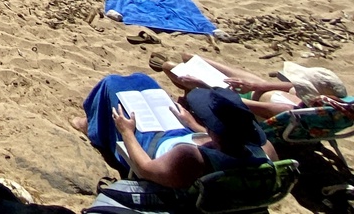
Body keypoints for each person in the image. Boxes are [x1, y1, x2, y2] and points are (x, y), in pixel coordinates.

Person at [80, 78, 275, 189]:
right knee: (143, 80)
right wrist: (192, 125)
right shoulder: (265, 150)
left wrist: (127, 132)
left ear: (214, 130)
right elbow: (228, 140)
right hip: (182, 134)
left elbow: (145, 168)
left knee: (111, 84)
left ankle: (90, 126)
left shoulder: (191, 158)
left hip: (152, 142)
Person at [149, 53, 347, 120]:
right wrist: (252, 84)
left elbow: (238, 104)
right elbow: (290, 85)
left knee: (173, 69)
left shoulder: (287, 110)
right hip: (254, 87)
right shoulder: (305, 97)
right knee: (190, 58)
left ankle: (188, 91)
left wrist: (203, 85)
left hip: (239, 98)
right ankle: (188, 79)